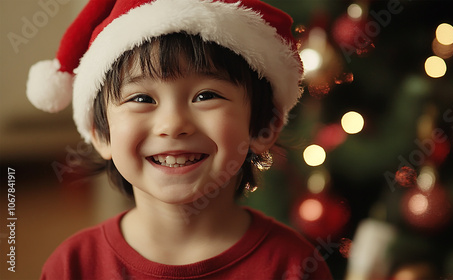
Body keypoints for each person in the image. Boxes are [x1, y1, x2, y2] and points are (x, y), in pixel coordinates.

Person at [27, 0, 333, 279]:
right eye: (142, 98)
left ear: (264, 126)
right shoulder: (73, 267)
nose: (173, 125)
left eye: (206, 95)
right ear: (99, 132)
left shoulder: (294, 266)